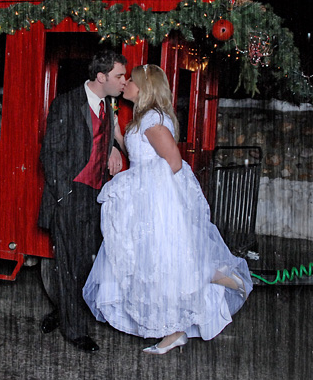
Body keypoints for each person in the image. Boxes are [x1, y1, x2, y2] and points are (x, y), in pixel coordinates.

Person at [83, 64, 252, 354]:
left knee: (165, 263)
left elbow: (172, 162)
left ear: (144, 87)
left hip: (156, 203)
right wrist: (115, 135)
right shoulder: (144, 118)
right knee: (158, 265)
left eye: (131, 81)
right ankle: (174, 332)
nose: (126, 85)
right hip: (145, 199)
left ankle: (220, 281)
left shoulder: (153, 119)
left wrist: (138, 188)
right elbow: (137, 154)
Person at [37, 50, 128, 352]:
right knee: (68, 264)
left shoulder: (109, 103)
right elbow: (50, 155)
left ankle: (63, 313)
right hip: (71, 194)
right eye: (119, 76)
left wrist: (114, 146)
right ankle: (74, 331)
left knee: (85, 263)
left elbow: (102, 137)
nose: (124, 82)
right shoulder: (66, 103)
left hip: (96, 194)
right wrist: (64, 194)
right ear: (101, 77)